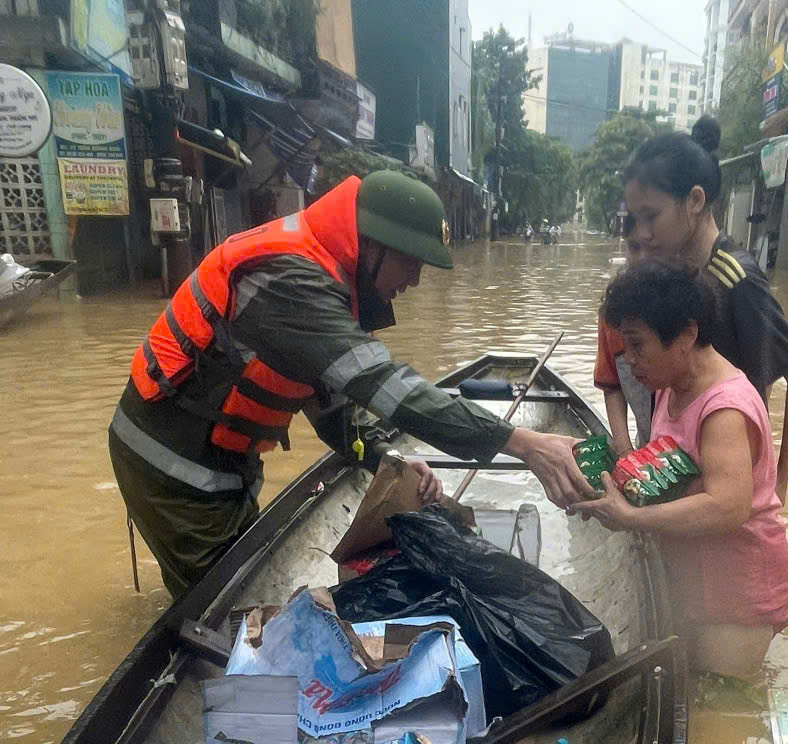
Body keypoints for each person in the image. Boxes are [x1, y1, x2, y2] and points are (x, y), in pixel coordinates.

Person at [110, 170, 590, 595]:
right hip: (175, 472)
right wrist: (522, 443)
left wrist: (391, 460)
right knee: (228, 610)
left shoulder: (326, 282)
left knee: (232, 581)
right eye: (412, 263)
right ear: (372, 246)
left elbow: (337, 415)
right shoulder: (292, 281)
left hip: (224, 465)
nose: (416, 281)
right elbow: (389, 387)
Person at [571, 259, 788, 678]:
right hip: (695, 582)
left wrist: (634, 518)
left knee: (725, 707)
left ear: (687, 335)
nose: (630, 360)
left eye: (638, 345)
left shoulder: (724, 407)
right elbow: (674, 472)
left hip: (735, 597)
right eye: (625, 345)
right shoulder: (671, 387)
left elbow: (729, 508)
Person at [622, 116, 788, 506]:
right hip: (686, 482)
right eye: (634, 219)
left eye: (651, 216)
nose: (640, 233)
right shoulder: (678, 276)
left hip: (725, 492)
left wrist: (778, 483)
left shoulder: (736, 280)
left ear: (694, 201)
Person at [594, 218, 652, 455]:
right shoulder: (613, 310)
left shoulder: (689, 305)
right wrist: (625, 450)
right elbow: (612, 386)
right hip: (648, 448)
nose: (643, 259)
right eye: (635, 248)